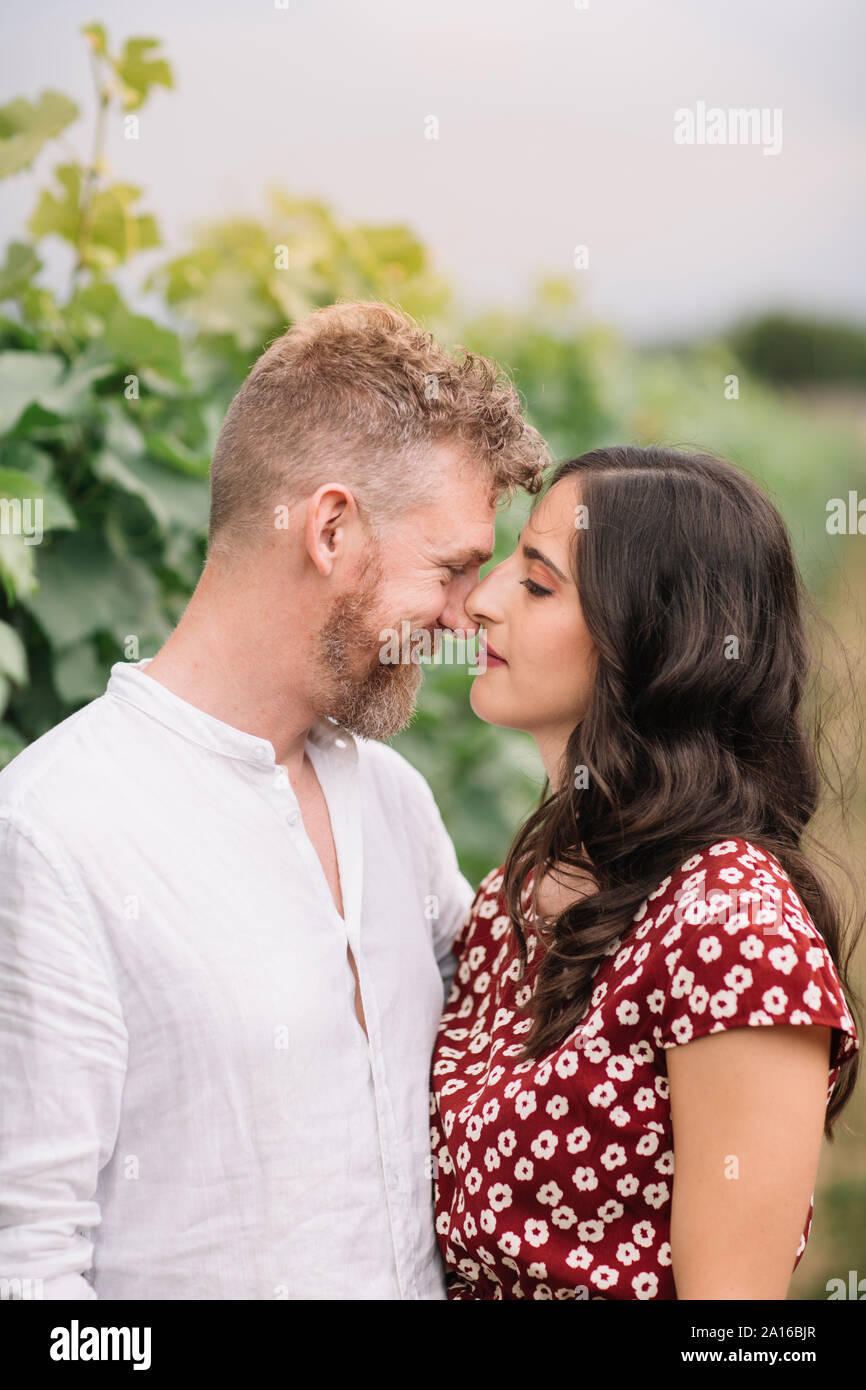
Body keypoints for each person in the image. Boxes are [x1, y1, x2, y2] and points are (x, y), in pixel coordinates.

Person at [0, 300, 548, 1300]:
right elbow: (27, 1263)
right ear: (331, 529)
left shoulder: (392, 798)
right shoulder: (50, 832)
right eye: (452, 567)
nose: (469, 613)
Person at [431, 444, 862, 1300]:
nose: (479, 600)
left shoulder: (734, 931)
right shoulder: (516, 894)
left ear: (655, 644)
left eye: (539, 582)